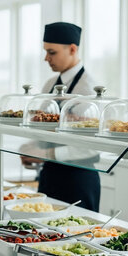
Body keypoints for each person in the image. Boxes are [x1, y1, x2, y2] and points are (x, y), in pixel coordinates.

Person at [21, 22, 101, 212]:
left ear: (72, 49)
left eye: (52, 52)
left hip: (79, 178)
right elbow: (40, 125)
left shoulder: (88, 89)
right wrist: (31, 147)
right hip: (49, 175)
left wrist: (47, 154)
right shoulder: (49, 85)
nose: (46, 58)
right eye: (45, 52)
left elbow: (90, 146)